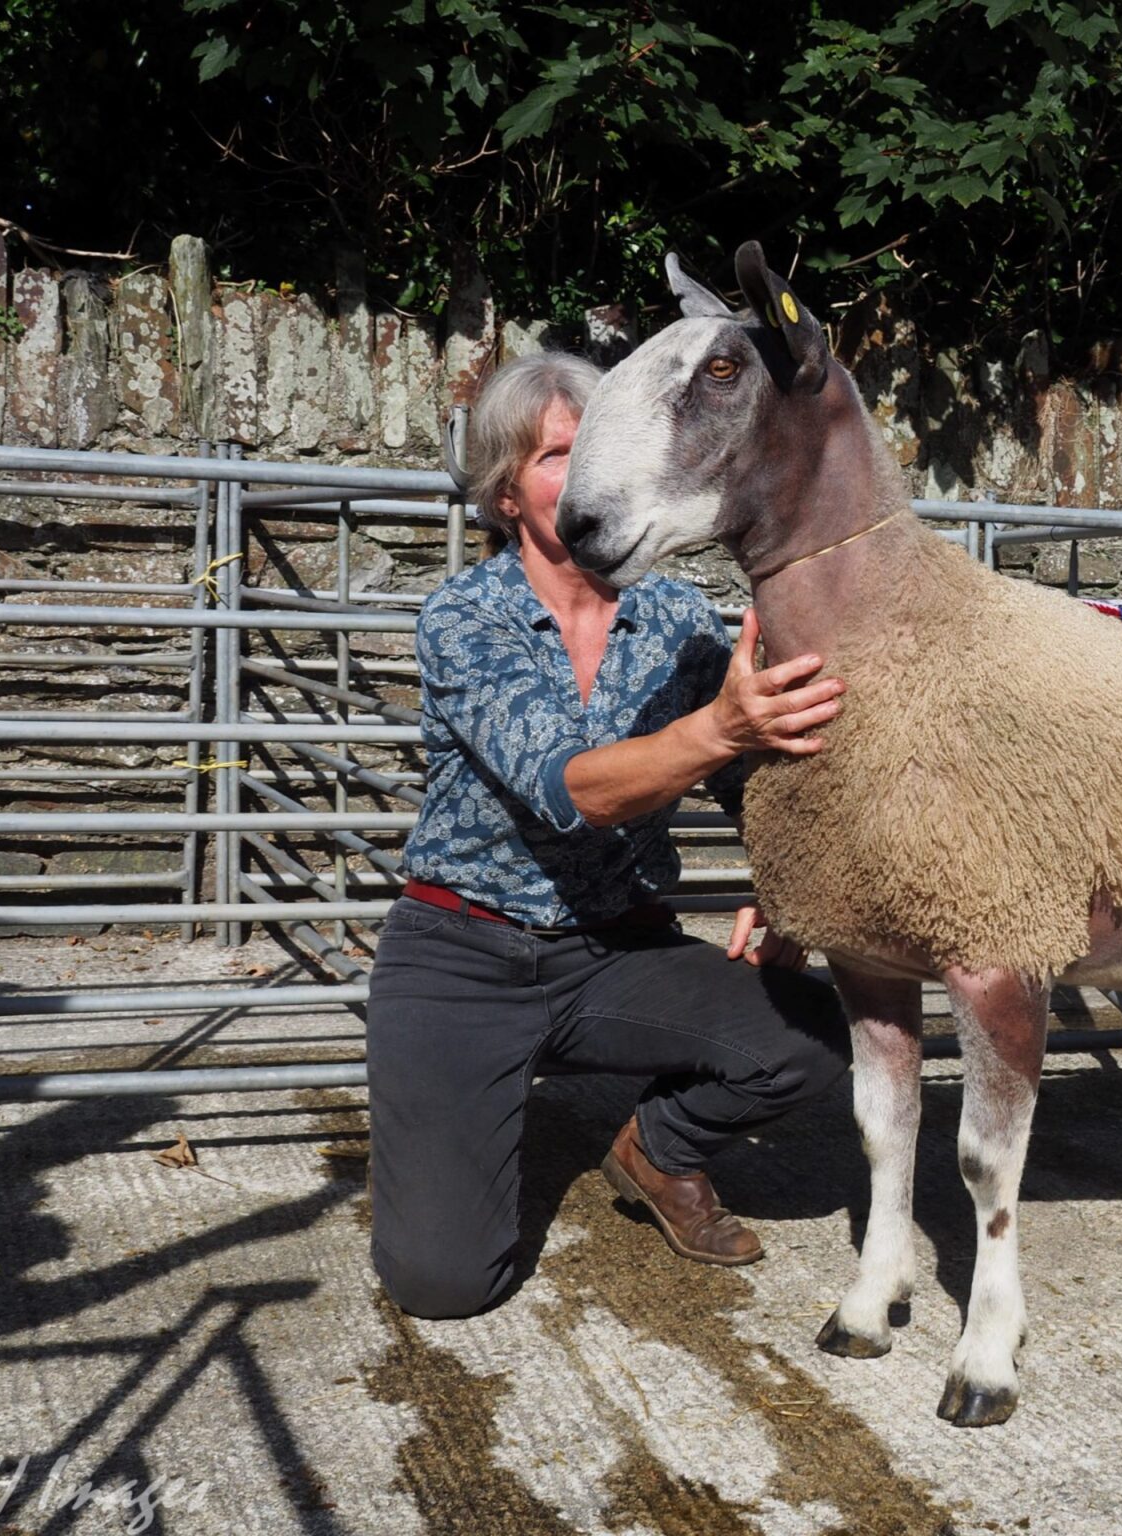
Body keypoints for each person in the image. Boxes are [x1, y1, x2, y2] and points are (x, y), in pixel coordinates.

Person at [365, 351, 853, 1319]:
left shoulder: (678, 619)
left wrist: (790, 877)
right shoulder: (465, 616)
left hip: (612, 948)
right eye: (557, 456)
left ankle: (656, 1149)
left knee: (815, 1042)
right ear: (505, 492)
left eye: (601, 445)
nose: (588, 468)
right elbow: (567, 790)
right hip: (459, 951)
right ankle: (475, 1115)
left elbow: (754, 783)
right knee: (444, 1285)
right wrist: (721, 725)